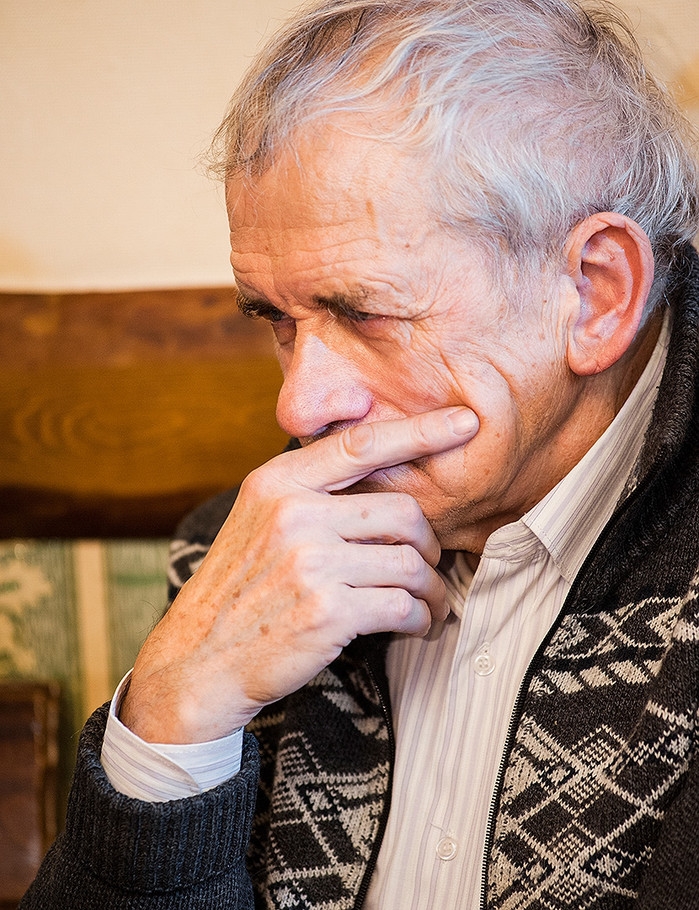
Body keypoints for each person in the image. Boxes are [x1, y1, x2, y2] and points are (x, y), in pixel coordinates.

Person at [21, 0, 699, 907]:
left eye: (366, 313)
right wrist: (170, 717)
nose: (298, 406)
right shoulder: (251, 563)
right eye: (275, 319)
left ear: (593, 293)